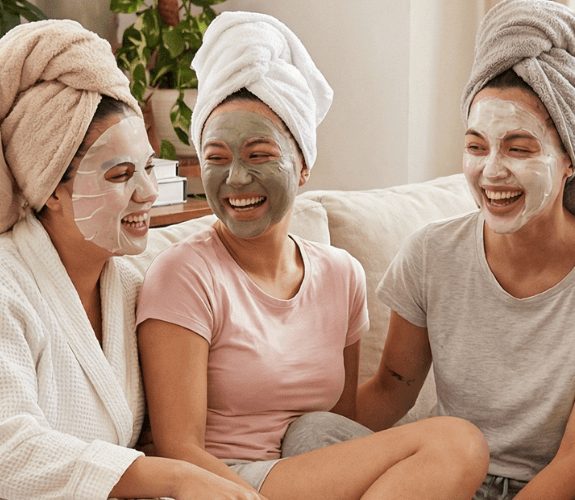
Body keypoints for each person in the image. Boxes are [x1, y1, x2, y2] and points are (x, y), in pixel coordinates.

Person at [0, 20, 269, 500]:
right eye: (120, 174)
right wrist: (178, 478)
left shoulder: (132, 285)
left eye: (148, 167)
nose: (148, 192)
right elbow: (5, 456)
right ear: (51, 189)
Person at [135, 11, 490, 500]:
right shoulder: (184, 274)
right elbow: (181, 450)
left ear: (302, 165)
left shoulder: (341, 275)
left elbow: (335, 430)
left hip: (307, 472)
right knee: (456, 443)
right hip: (226, 482)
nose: (235, 178)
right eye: (216, 158)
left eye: (259, 155)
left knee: (449, 446)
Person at [357, 1, 575, 499]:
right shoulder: (430, 253)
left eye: (519, 148)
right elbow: (391, 391)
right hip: (459, 475)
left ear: (570, 159)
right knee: (315, 434)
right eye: (477, 146)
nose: (491, 171)